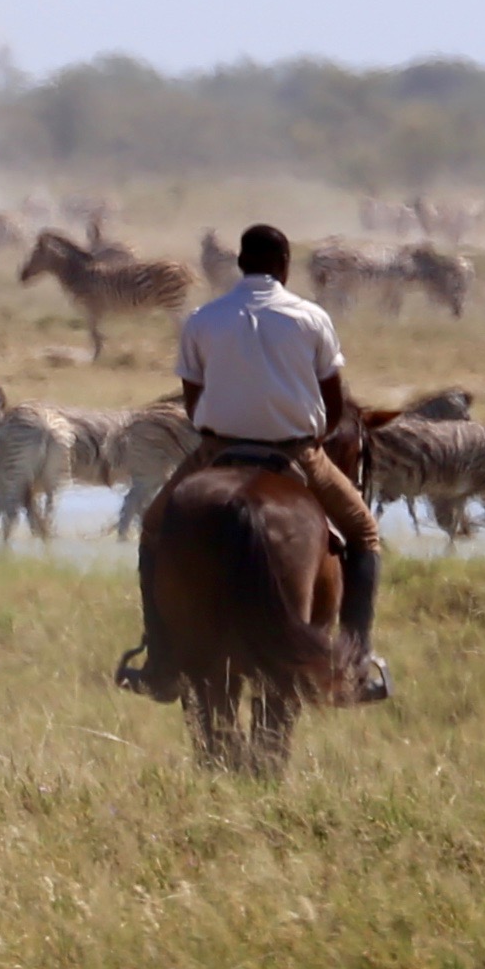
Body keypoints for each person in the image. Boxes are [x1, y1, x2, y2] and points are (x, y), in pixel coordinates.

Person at [118, 223, 390, 705]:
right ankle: (355, 666)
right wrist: (310, 440)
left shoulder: (202, 319)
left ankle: (159, 659)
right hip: (295, 449)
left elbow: (193, 401)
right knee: (365, 534)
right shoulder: (311, 318)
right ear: (284, 265)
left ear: (241, 264)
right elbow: (332, 400)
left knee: (153, 529)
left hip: (216, 449)